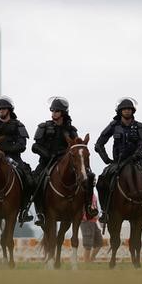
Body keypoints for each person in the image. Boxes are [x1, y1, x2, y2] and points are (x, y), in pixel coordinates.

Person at [30, 96, 96, 226]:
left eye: (57, 111)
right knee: (34, 181)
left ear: (63, 113)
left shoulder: (72, 130)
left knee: (89, 177)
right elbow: (35, 146)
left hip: (68, 162)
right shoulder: (43, 127)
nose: (54, 113)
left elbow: (77, 146)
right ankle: (39, 213)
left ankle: (89, 207)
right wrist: (48, 154)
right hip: (46, 162)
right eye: (53, 111)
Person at [94, 97, 142, 223]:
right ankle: (105, 212)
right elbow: (98, 145)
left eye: (129, 109)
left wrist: (137, 154)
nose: (127, 111)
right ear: (120, 111)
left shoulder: (139, 126)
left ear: (133, 111)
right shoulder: (113, 125)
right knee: (101, 182)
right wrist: (107, 159)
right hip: (118, 162)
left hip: (137, 160)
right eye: (125, 109)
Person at [80, 194, 103, 262]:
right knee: (88, 244)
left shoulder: (93, 195)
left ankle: (91, 259)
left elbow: (95, 207)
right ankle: (86, 261)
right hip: (86, 221)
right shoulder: (83, 194)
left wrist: (98, 217)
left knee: (99, 242)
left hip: (93, 221)